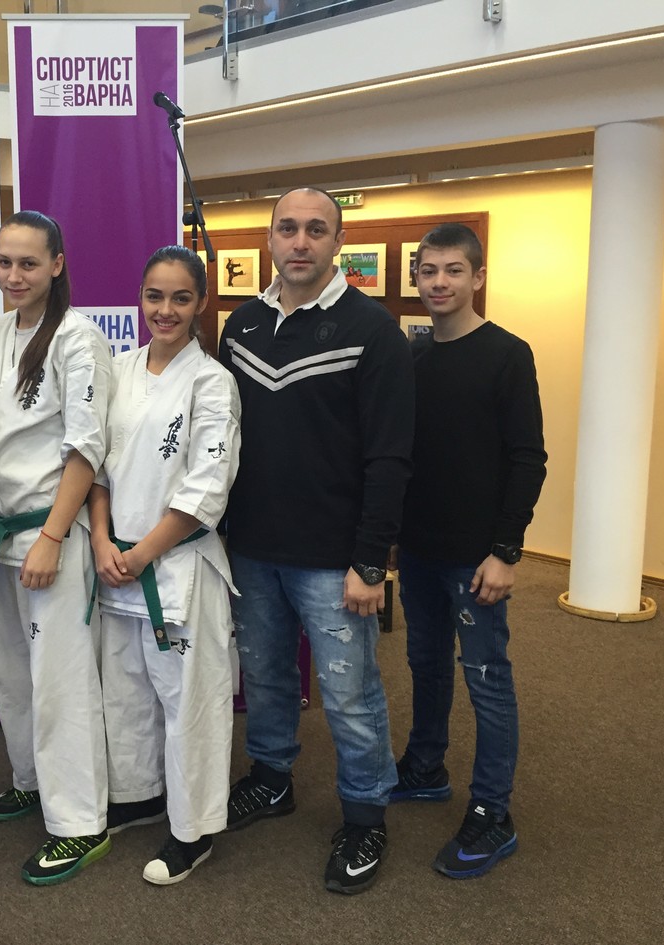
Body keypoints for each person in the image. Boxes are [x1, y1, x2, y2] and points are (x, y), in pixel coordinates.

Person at [218, 187, 414, 895]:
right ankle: (272, 778)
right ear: (270, 237)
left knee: (348, 692)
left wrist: (371, 561)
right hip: (252, 549)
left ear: (337, 242)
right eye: (288, 228)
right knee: (266, 677)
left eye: (316, 229)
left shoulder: (373, 329)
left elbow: (390, 456)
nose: (300, 241)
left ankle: (365, 814)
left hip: (335, 560)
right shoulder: (241, 324)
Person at [392, 222, 547, 879]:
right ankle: (426, 767)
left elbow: (528, 458)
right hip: (419, 549)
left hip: (476, 556)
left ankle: (492, 811)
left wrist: (506, 551)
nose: (440, 282)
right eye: (428, 271)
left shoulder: (507, 354)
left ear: (478, 277)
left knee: (486, 676)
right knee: (425, 664)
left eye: (454, 270)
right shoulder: (414, 357)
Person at [0, 210, 113, 886]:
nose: (14, 275)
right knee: (10, 674)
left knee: (60, 682)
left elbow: (86, 447)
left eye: (28, 263)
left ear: (57, 264)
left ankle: (80, 821)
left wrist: (53, 535)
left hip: (48, 531)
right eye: (5, 262)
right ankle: (30, 778)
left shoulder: (78, 340)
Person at [91, 246, 241, 885]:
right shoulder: (120, 369)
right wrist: (102, 542)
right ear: (140, 298)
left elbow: (207, 486)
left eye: (181, 298)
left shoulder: (212, 382)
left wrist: (141, 553)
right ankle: (140, 795)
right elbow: (96, 467)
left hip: (177, 566)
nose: (166, 310)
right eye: (155, 296)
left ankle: (193, 830)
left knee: (189, 703)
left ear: (201, 302)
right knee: (125, 692)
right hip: (117, 561)